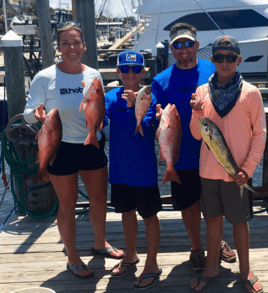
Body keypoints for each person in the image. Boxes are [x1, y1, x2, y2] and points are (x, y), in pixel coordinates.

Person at [23, 21, 124, 279]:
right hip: (60, 146)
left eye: (76, 42)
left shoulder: (94, 75)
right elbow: (26, 114)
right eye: (66, 43)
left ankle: (100, 243)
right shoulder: (44, 77)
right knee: (67, 203)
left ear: (84, 45)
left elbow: (99, 110)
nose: (71, 47)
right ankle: (72, 256)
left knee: (99, 199)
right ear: (58, 47)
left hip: (91, 143)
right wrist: (36, 115)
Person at [151, 22, 236, 272]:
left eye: (189, 43)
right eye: (178, 44)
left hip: (212, 153)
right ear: (171, 48)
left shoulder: (214, 69)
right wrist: (154, 116)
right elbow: (155, 115)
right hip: (180, 155)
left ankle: (216, 241)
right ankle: (197, 246)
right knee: (188, 205)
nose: (184, 48)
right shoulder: (160, 80)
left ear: (197, 45)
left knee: (213, 205)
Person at [189, 35, 265, 293]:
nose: (225, 62)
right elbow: (196, 134)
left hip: (239, 172)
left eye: (230, 58)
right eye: (219, 57)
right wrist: (197, 112)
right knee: (212, 219)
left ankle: (244, 268)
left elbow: (260, 135)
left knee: (239, 221)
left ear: (239, 60)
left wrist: (248, 168)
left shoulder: (251, 93)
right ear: (212, 60)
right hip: (208, 171)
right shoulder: (200, 92)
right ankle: (212, 265)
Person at [104, 50, 162, 290]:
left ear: (144, 72)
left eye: (136, 69)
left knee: (149, 216)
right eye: (125, 69)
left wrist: (132, 107)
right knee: (126, 213)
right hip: (119, 169)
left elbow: (149, 126)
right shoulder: (108, 97)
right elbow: (100, 123)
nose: (130, 74)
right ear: (118, 71)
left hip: (144, 169)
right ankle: (130, 255)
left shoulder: (150, 94)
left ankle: (152, 263)